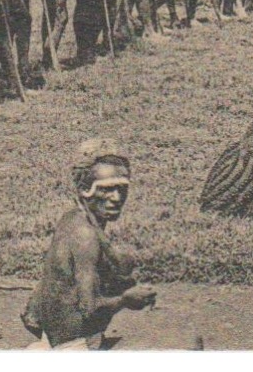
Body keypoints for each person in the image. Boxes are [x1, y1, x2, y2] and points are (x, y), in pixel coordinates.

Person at [22, 139, 157, 349]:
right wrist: (126, 300)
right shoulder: (85, 236)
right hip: (76, 346)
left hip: (55, 337)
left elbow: (32, 313)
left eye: (122, 189)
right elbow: (90, 309)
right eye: (107, 189)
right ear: (85, 189)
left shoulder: (73, 218)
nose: (116, 198)